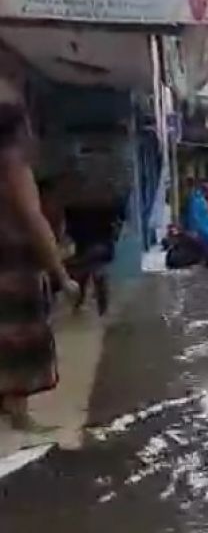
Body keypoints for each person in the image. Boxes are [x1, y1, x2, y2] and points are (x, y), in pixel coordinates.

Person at [0, 101, 79, 429]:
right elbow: (34, 221)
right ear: (19, 131)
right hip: (14, 265)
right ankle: (19, 414)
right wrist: (62, 275)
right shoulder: (14, 166)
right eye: (29, 126)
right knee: (18, 338)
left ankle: (9, 406)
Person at [185, 182, 208, 266]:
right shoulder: (198, 201)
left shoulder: (202, 200)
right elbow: (195, 217)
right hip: (204, 232)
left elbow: (206, 215)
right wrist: (194, 230)